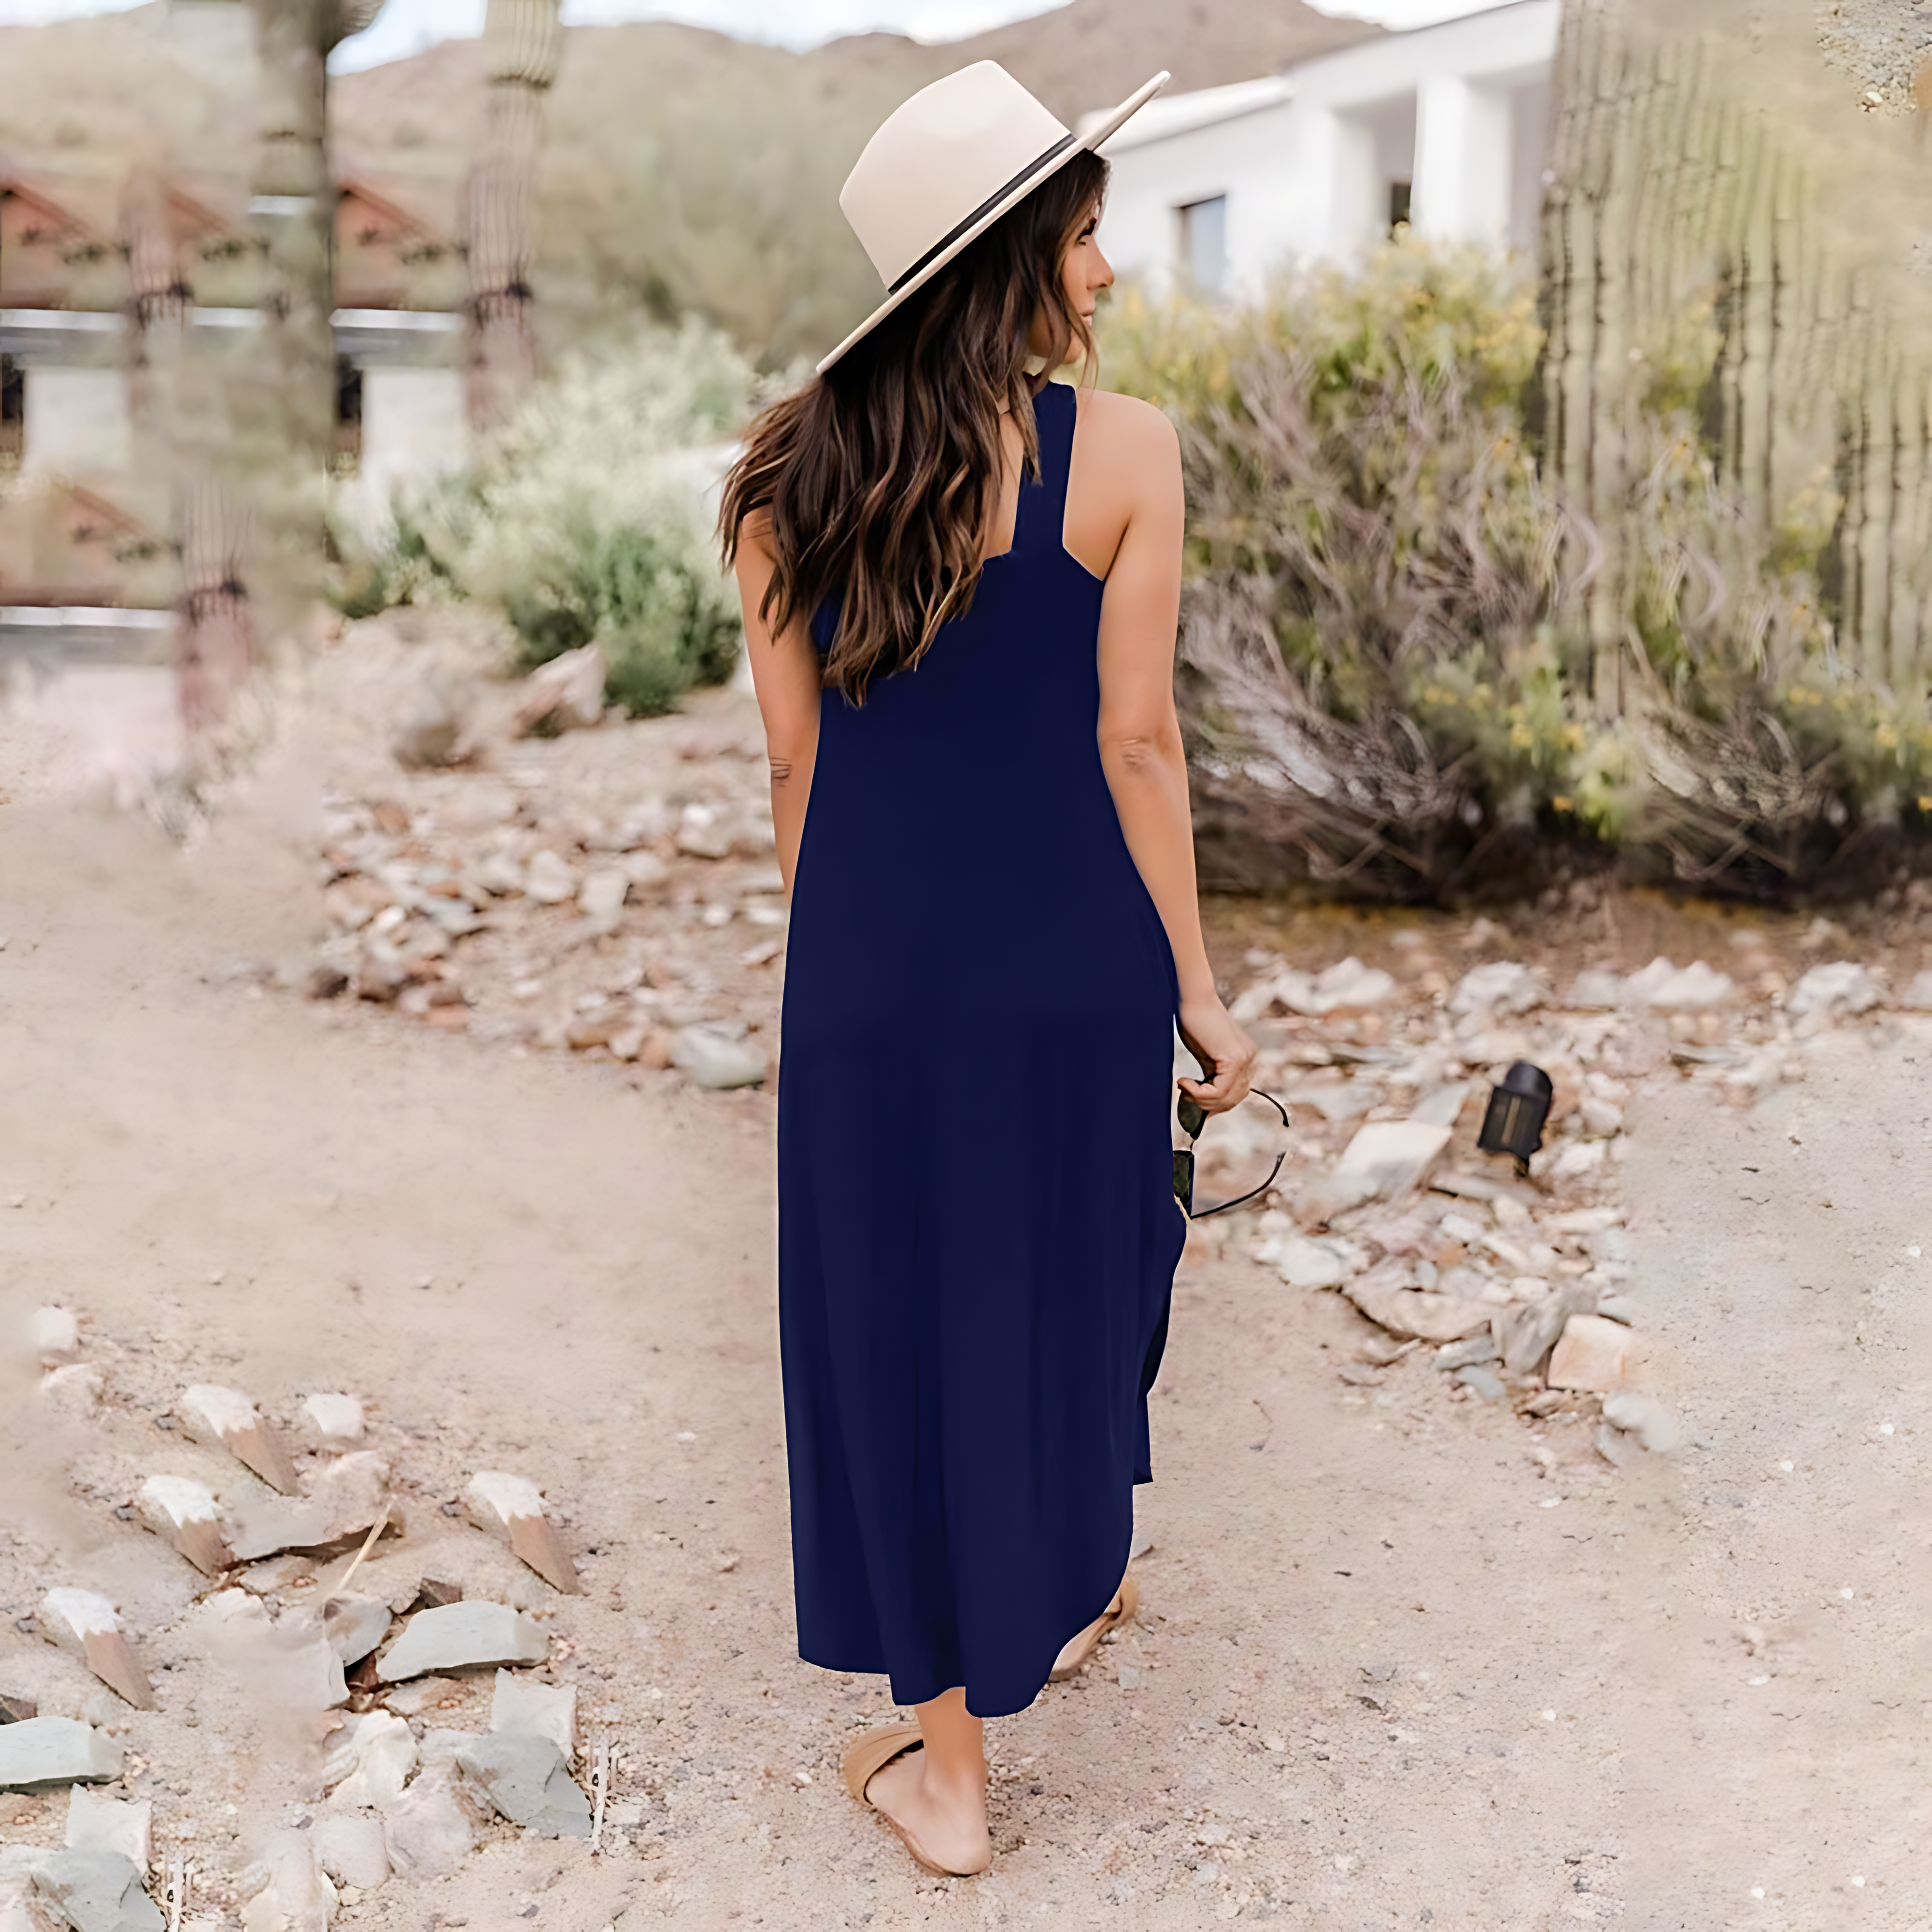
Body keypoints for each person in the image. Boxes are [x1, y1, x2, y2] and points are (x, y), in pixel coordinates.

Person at [717, 59, 1257, 1879]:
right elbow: (1137, 748)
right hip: (1068, 968)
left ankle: (947, 1761)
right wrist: (1193, 982)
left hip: (872, 975)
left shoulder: (783, 477)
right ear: (1017, 258)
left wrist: (860, 964)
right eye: (1090, 232)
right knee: (1068, 1280)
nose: (1106, 268)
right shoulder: (1126, 456)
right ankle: (1047, 1584)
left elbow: (797, 770)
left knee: (900, 1323)